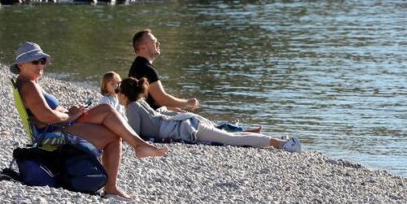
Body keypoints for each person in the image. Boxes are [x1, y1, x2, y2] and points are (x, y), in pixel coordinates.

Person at [12, 43, 167, 200]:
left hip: (57, 124)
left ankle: (137, 149)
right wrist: (71, 116)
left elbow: (47, 112)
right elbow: (46, 117)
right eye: (35, 62)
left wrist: (68, 111)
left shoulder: (28, 82)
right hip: (51, 132)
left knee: (106, 111)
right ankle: (126, 166)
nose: (40, 65)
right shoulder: (29, 86)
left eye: (42, 61)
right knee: (111, 129)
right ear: (20, 64)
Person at [117, 77, 300, 151]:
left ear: (124, 95)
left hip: (184, 128)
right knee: (228, 135)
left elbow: (133, 134)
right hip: (185, 123)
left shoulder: (132, 107)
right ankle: (270, 139)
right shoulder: (139, 103)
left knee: (230, 139)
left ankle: (281, 143)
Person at [128, 29, 198, 111]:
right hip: (150, 118)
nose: (158, 43)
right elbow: (161, 98)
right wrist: (187, 102)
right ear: (143, 48)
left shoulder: (138, 65)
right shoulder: (147, 69)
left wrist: (170, 108)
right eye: (154, 42)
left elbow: (150, 101)